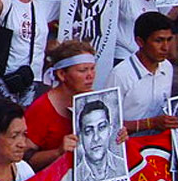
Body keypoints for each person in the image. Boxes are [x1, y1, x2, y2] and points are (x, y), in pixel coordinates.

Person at [23, 41, 125, 171]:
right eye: (83, 70)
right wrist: (58, 152)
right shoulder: (42, 108)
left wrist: (118, 136)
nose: (90, 76)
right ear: (62, 74)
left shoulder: (97, 100)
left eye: (92, 68)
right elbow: (23, 159)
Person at [0, 0, 60, 106]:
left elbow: (71, 3)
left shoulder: (41, 4)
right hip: (8, 72)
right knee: (4, 116)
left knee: (24, 119)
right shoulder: (8, 2)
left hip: (32, 74)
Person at [106, 12, 178, 135]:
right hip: (130, 146)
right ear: (140, 42)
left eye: (169, 40)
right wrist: (151, 123)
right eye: (159, 41)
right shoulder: (120, 75)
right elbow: (108, 123)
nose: (166, 48)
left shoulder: (167, 68)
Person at [75, 99, 127, 181]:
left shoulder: (123, 167)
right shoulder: (75, 177)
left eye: (102, 127)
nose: (96, 138)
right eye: (88, 131)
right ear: (80, 137)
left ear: (110, 130)